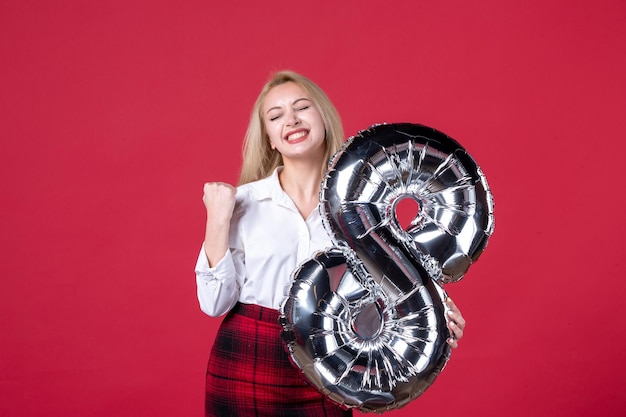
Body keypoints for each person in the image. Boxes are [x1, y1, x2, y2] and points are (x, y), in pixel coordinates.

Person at [194, 70, 466, 417]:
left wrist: (432, 314)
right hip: (248, 361)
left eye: (301, 107)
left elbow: (380, 295)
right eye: (275, 116)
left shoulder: (365, 207)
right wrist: (217, 220)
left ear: (323, 117)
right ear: (270, 139)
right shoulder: (242, 204)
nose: (290, 120)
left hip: (333, 362)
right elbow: (214, 303)